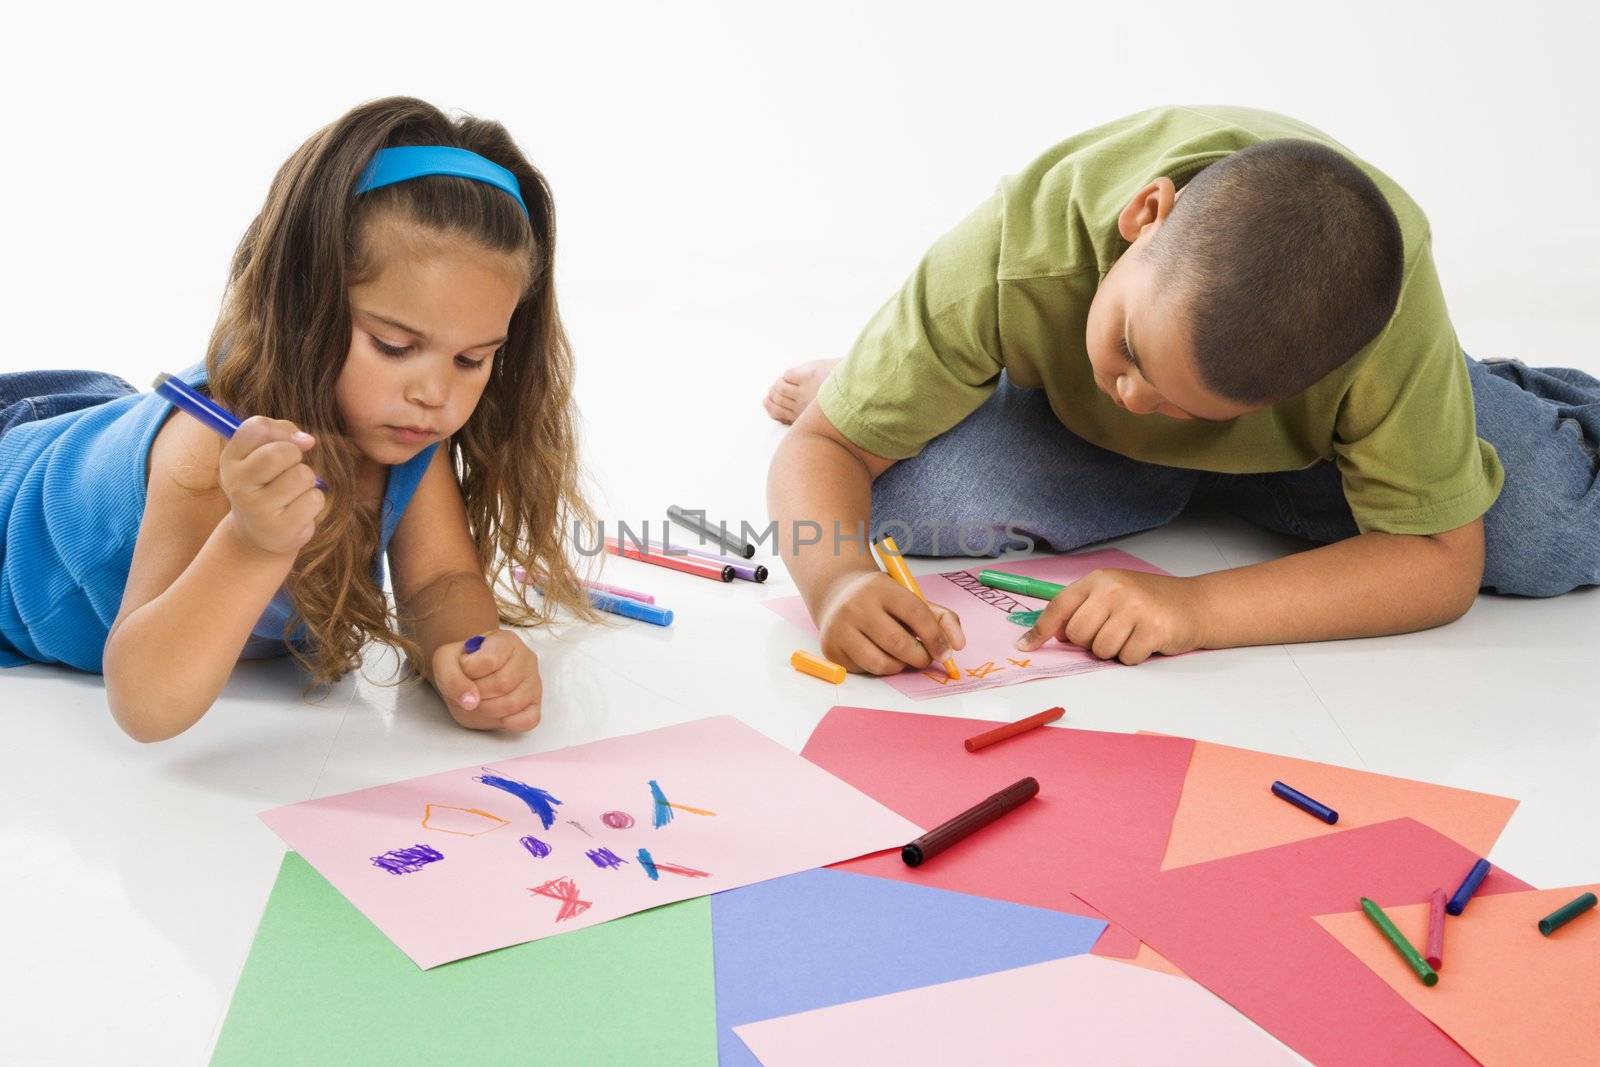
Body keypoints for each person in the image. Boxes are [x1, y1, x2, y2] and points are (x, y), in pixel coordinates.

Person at [766, 105, 1600, 676]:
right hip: (1072, 419)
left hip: (1316, 447)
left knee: (1544, 535)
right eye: (1128, 347)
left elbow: (1441, 567)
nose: (1133, 396)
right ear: (1144, 215)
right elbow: (823, 449)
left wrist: (1195, 608)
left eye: (1184, 405)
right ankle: (889, 374)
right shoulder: (1012, 253)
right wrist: (835, 582)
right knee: (905, 505)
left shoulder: (1386, 327)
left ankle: (1467, 404)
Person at [0, 96, 595, 740]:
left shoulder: (404, 432)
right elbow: (145, 706)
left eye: (472, 359)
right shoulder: (213, 446)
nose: (434, 392)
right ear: (304, 310)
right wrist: (249, 544)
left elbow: (441, 580)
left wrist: (472, 652)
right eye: (395, 347)